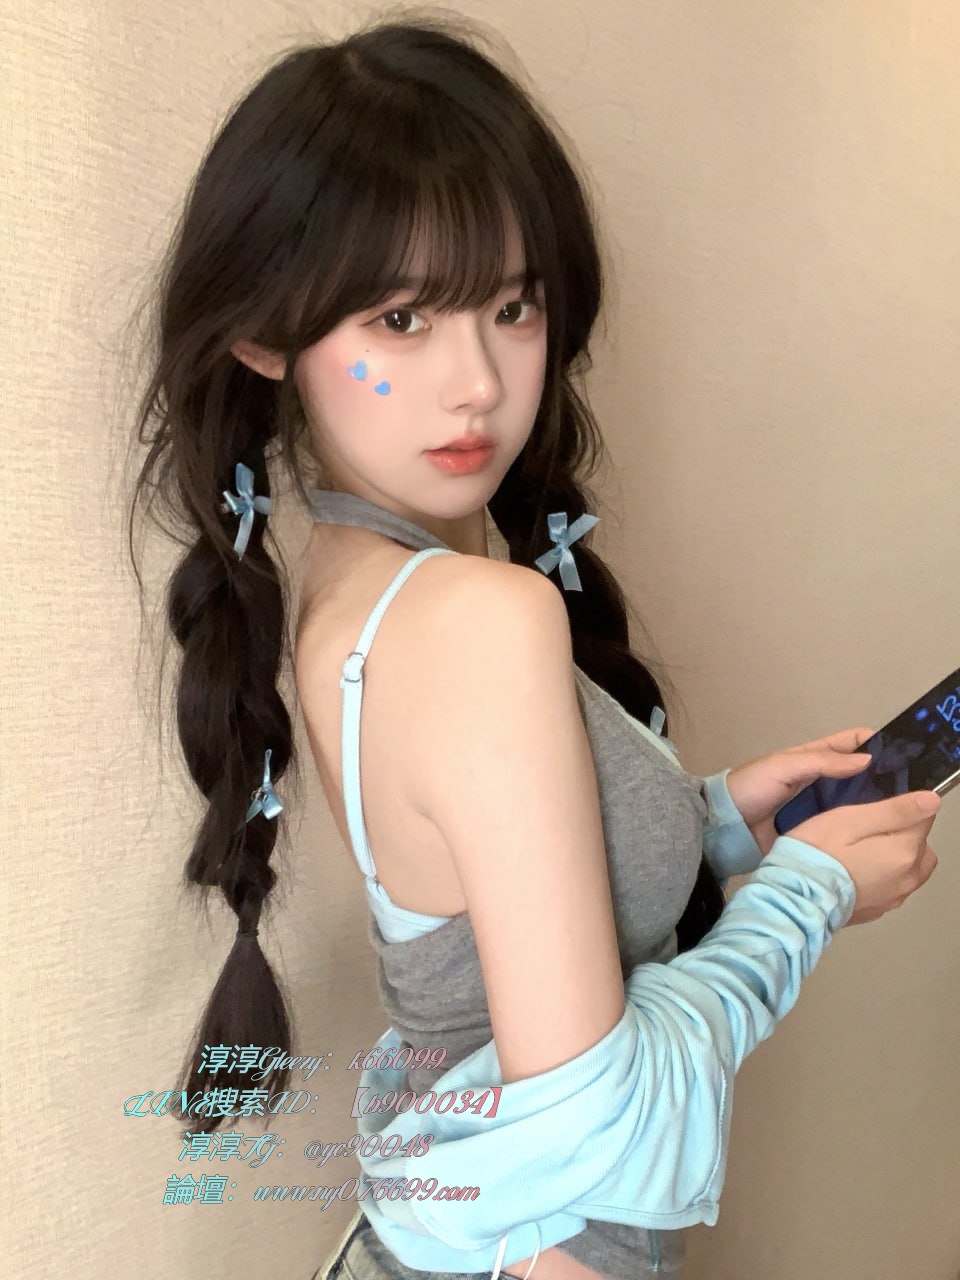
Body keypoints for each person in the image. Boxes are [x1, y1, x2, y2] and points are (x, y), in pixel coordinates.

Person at [124, 12, 942, 1280]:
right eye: (401, 318)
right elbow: (598, 1120)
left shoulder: (343, 584)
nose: (478, 383)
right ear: (268, 333)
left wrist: (719, 820)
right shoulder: (482, 616)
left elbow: (480, 887)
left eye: (511, 306)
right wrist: (806, 896)